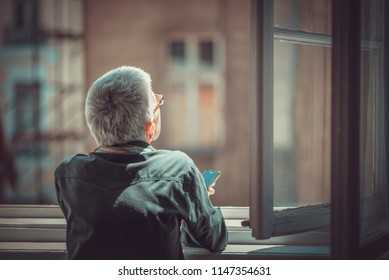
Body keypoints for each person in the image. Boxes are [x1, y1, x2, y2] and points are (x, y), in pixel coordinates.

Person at [54, 66, 227, 259]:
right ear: (149, 125)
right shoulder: (178, 170)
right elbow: (214, 238)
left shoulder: (68, 174)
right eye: (156, 103)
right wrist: (197, 198)